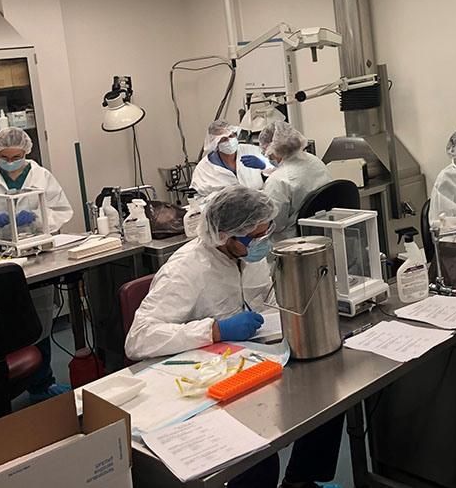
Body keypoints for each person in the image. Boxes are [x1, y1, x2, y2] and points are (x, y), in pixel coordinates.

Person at [124, 186, 343, 488]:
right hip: (203, 379)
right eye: (253, 238)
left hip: (250, 359)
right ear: (225, 235)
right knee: (258, 457)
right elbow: (139, 338)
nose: (261, 244)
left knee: (327, 397)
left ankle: (300, 481)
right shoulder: (186, 270)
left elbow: (263, 298)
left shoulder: (245, 257)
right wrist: (215, 329)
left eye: (265, 234)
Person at [0, 127, 73, 425]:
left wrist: (38, 218)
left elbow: (62, 209)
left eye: (18, 156)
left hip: (35, 255)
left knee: (36, 320)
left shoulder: (40, 176)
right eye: (5, 157)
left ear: (26, 153)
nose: (12, 161)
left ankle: (41, 384)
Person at [256, 121, 331, 243]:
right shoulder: (315, 161)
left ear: (272, 151)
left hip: (293, 243)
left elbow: (275, 224)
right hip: (324, 233)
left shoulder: (278, 180)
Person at [190, 119, 272, 198]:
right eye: (224, 139)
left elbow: (278, 169)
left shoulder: (251, 150)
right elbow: (197, 198)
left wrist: (264, 165)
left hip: (259, 204)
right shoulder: (204, 169)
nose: (229, 141)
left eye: (231, 136)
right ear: (215, 143)